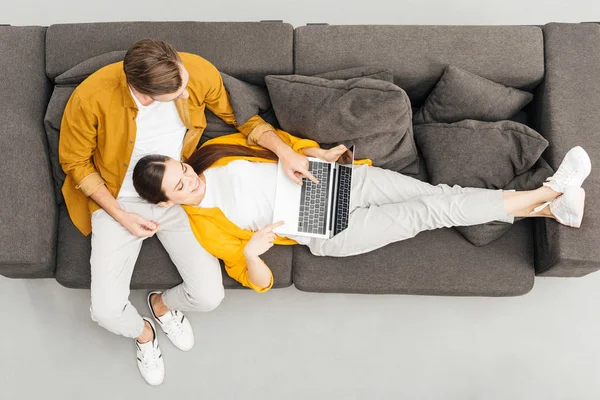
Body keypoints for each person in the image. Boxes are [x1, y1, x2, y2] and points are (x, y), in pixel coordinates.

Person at [58, 39, 317, 386]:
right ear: (142, 91)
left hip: (180, 192)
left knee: (209, 297)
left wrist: (284, 152)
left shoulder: (194, 71)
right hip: (118, 199)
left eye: (183, 80)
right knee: (105, 312)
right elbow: (75, 162)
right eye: (176, 91)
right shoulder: (92, 97)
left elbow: (240, 117)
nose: (186, 93)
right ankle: (145, 334)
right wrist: (121, 215)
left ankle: (161, 305)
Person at [132, 131, 592, 294]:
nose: (190, 179)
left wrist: (315, 152)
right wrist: (253, 253)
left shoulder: (214, 154)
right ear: (166, 202)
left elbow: (284, 147)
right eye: (179, 185)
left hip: (339, 181)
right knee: (431, 211)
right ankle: (548, 191)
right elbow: (258, 280)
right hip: (330, 229)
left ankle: (553, 211)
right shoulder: (206, 230)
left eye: (182, 170)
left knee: (441, 196)